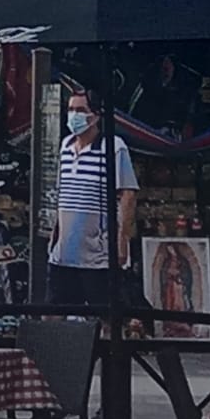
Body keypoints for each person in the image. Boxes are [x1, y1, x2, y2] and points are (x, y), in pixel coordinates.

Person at [48, 91, 138, 309]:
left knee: (106, 313)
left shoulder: (114, 147)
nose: (73, 116)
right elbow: (62, 194)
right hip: (64, 252)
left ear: (96, 116)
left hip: (98, 254)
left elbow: (128, 195)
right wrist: (54, 234)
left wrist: (122, 241)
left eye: (80, 110)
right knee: (53, 311)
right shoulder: (66, 146)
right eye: (70, 110)